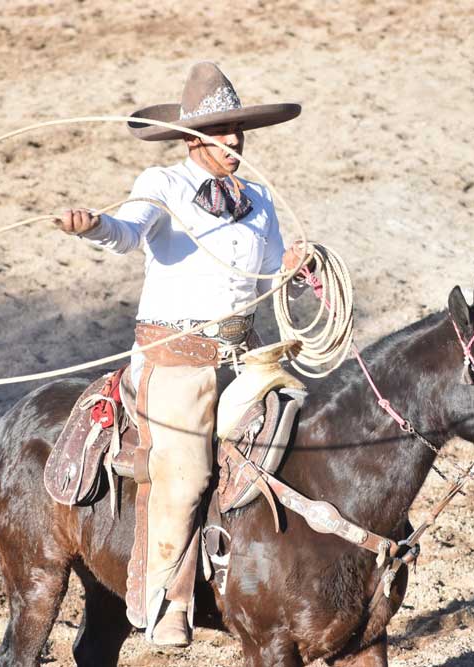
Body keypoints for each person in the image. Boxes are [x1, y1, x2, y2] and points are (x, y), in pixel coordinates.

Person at [53, 61, 305, 647]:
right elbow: (125, 231)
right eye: (223, 133)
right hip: (176, 359)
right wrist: (92, 226)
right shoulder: (162, 185)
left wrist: (296, 272)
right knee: (186, 474)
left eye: (238, 132)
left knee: (308, 431)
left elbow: (267, 276)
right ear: (194, 139)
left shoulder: (259, 199)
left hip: (245, 358)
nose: (235, 142)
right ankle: (166, 597)